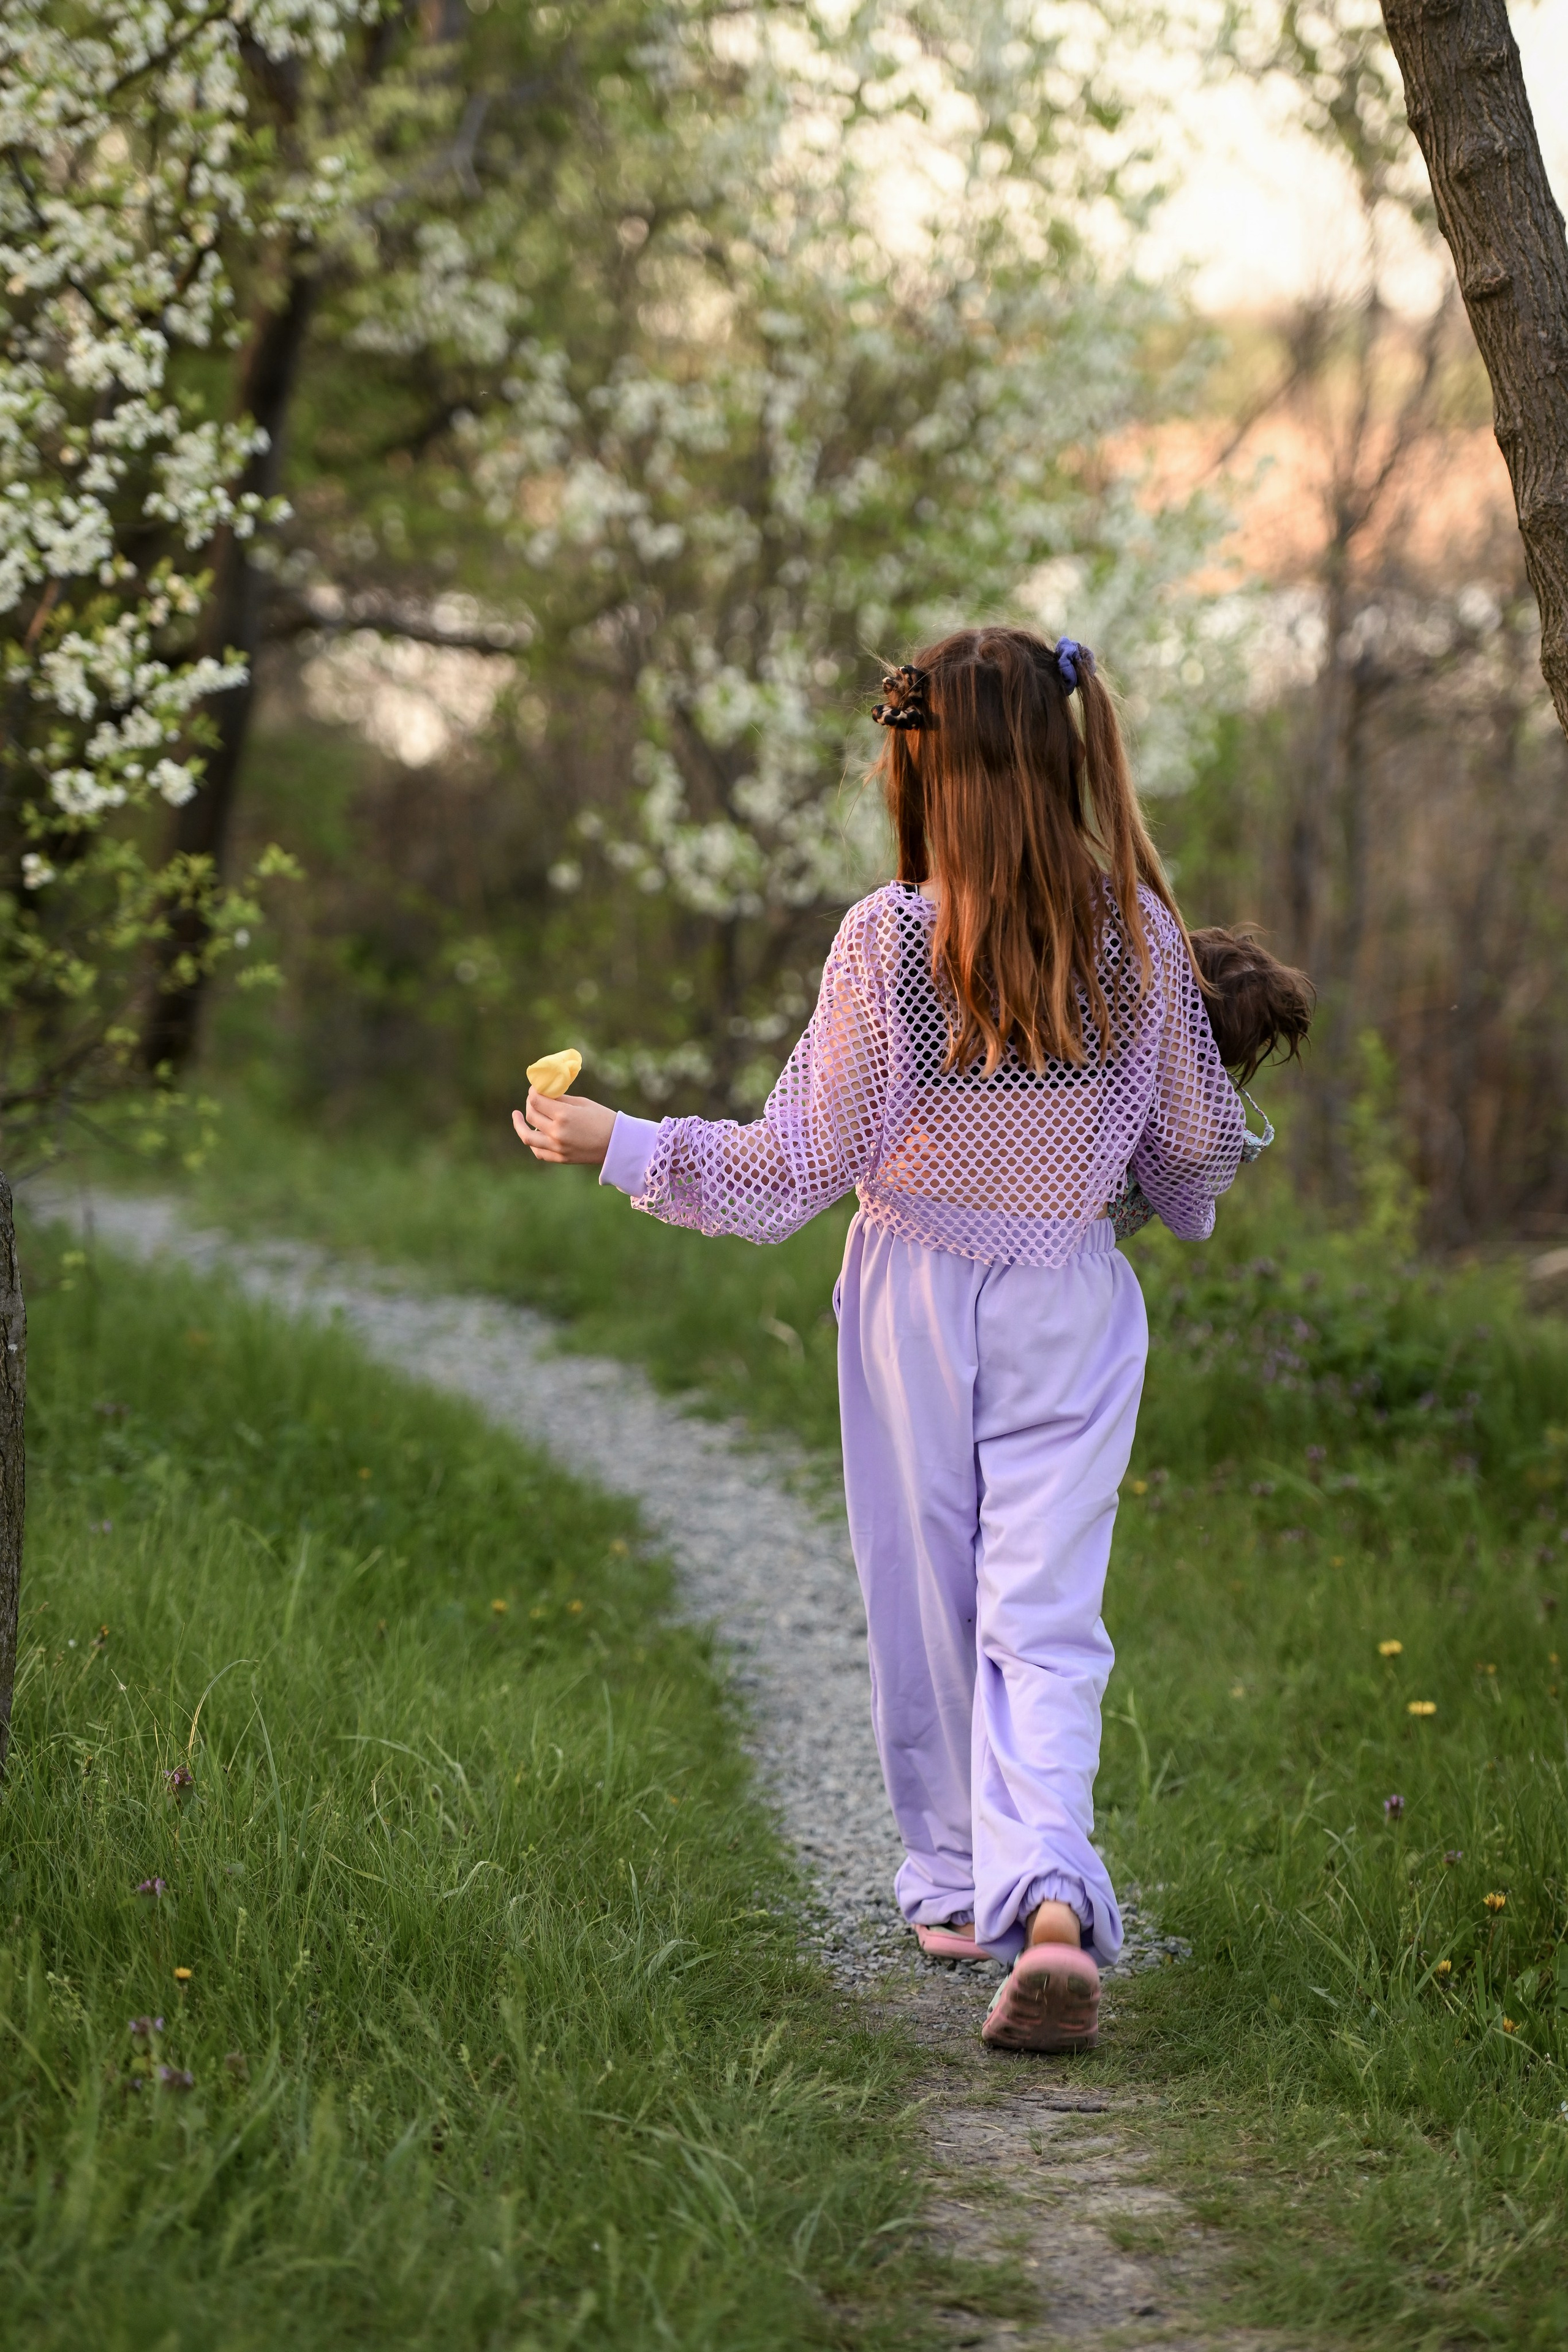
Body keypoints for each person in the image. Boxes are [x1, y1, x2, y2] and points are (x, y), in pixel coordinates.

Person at [514, 626, 1251, 2055]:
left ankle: (958, 1883)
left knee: (922, 1588)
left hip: (916, 1291)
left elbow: (789, 1168)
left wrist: (618, 1142)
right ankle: (1046, 1900)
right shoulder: (1143, 937)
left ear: (934, 773)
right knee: (1044, 1619)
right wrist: (1143, 1125)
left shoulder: (893, 937)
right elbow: (1187, 1171)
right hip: (1074, 1304)